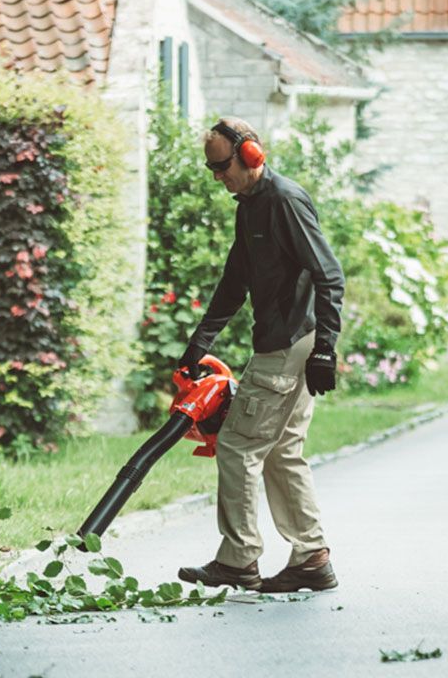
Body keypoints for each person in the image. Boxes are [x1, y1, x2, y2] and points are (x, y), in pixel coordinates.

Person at [173, 117, 346, 594]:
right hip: (287, 342)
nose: (217, 177)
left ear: (250, 154)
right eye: (211, 169)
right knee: (281, 452)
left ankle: (238, 558)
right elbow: (235, 281)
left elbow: (329, 276)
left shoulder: (284, 201)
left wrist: (326, 352)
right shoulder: (248, 206)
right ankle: (311, 557)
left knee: (236, 446)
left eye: (222, 166)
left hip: (289, 344)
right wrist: (199, 342)